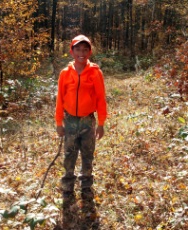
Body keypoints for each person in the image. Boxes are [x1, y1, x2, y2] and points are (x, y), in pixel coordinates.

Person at [55, 34, 108, 215]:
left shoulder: (95, 72)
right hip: (69, 121)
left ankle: (86, 186)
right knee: (69, 155)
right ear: (72, 51)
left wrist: (101, 123)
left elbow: (101, 99)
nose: (81, 53)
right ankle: (68, 186)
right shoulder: (65, 73)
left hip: (87, 121)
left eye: (85, 49)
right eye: (78, 49)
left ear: (89, 52)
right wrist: (58, 122)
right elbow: (59, 100)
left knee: (87, 155)